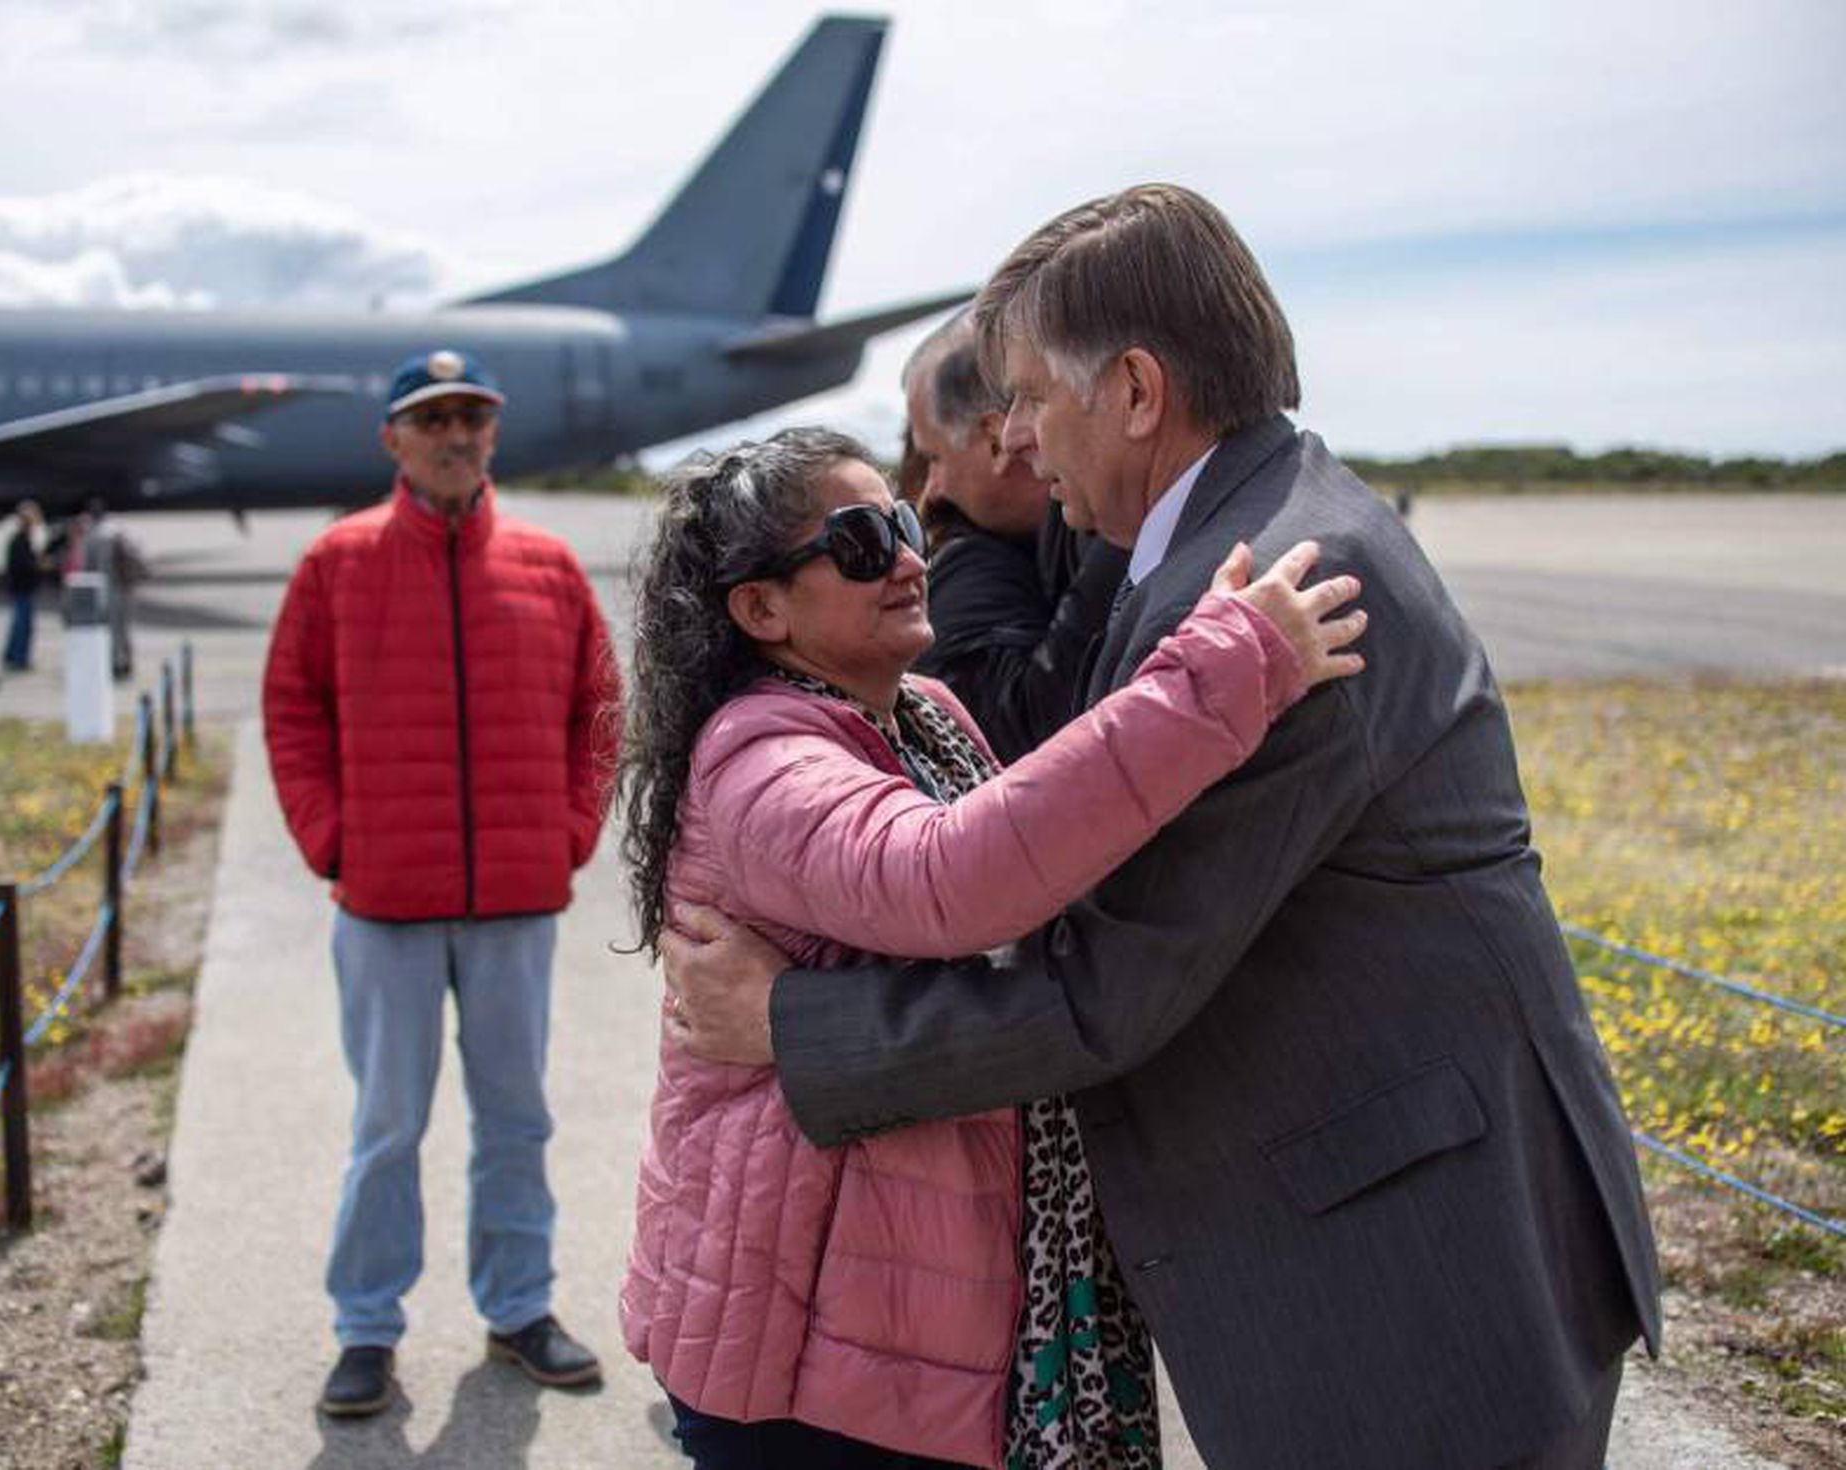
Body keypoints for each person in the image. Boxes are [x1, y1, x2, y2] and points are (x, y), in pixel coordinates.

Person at [662, 186, 1662, 1470]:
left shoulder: (1286, 593)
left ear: (1134, 391)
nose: (1014, 440)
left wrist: (788, 1028)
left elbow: (1107, 985)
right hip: (1387, 1223)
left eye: (1025, 394)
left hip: (1414, 1275)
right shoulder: (1222, 555)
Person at [618, 426, 1364, 1469]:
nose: (913, 558)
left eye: (906, 523)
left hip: (897, 1319)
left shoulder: (921, 714)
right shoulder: (762, 757)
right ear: (761, 609)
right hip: (810, 1355)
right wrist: (1222, 674)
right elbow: (949, 880)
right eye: (864, 541)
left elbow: (1033, 869)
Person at [262, 347, 622, 1419]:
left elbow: (598, 714)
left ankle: (519, 1308)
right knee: (387, 1126)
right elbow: (293, 711)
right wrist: (334, 839)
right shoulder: (337, 563)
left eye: (472, 417)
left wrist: (567, 831)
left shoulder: (550, 566)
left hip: (516, 900)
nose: (456, 435)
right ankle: (366, 1327)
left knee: (517, 1121)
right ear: (394, 440)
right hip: (385, 907)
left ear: (492, 435)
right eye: (432, 419)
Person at [903, 312, 1129, 761]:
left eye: (935, 458)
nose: (933, 488)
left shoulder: (1117, 532)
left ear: (994, 440)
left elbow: (1021, 741)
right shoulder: (1081, 537)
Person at [79, 498, 149, 680]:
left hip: (109, 589)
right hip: (128, 587)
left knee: (112, 630)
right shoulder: (120, 529)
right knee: (126, 628)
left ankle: (116, 665)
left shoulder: (94, 535)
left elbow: (87, 567)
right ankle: (127, 663)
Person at [2, 500, 45, 672]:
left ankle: (11, 655)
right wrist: (39, 565)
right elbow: (23, 565)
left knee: (18, 625)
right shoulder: (19, 541)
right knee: (23, 626)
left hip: (23, 588)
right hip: (22, 588)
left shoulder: (23, 540)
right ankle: (20, 658)